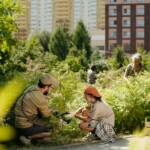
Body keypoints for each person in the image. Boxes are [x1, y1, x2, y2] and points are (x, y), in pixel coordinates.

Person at [14, 74, 59, 145]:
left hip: (18, 123)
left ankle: (31, 139)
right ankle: (28, 137)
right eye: (51, 88)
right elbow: (46, 115)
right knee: (53, 130)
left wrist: (50, 110)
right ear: (47, 86)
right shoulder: (39, 97)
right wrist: (53, 112)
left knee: (47, 138)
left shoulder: (31, 89)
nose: (51, 90)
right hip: (25, 126)